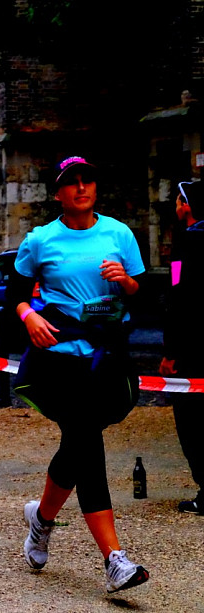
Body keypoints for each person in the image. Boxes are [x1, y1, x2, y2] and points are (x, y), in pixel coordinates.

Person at [10, 155, 149, 593]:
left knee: (77, 444)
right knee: (87, 442)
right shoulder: (40, 239)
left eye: (88, 180)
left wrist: (126, 281)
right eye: (72, 182)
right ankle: (114, 560)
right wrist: (29, 316)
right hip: (60, 359)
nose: (82, 187)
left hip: (106, 357)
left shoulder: (119, 234)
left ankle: (41, 521)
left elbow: (144, 296)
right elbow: (16, 295)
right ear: (58, 193)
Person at [159, 179, 204, 515]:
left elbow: (178, 298)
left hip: (193, 349)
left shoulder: (186, 243)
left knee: (192, 421)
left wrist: (170, 352)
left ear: (186, 205)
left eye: (177, 200)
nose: (175, 205)